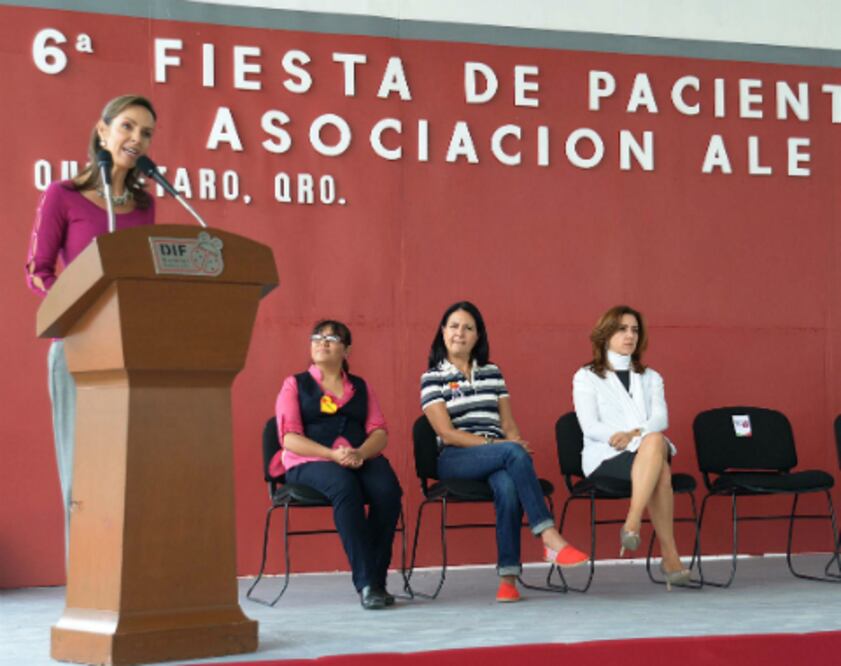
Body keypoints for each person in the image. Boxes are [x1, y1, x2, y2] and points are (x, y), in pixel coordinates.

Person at [25, 94, 157, 555]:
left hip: (130, 350)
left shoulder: (143, 205)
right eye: (127, 127)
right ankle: (85, 577)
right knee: (82, 476)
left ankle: (126, 576)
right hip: (78, 347)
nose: (136, 138)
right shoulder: (62, 195)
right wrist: (79, 310)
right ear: (103, 132)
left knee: (127, 472)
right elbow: (37, 271)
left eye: (146, 133)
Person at [420, 301, 588, 603]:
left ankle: (508, 580)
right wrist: (504, 448)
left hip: (497, 455)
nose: (460, 333)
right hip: (455, 458)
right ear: (443, 331)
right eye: (454, 326)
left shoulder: (492, 373)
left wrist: (515, 449)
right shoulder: (432, 377)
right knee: (511, 453)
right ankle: (549, 535)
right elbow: (446, 433)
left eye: (468, 328)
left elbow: (508, 424)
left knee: (508, 485)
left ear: (477, 336)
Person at [273, 320, 403, 610]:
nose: (323, 342)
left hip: (358, 456)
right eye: (317, 337)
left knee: (388, 490)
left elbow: (379, 432)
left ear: (347, 350)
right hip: (309, 460)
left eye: (332, 338)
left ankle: (377, 580)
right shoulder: (295, 384)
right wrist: (332, 455)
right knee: (344, 485)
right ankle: (367, 583)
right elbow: (289, 439)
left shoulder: (361, 387)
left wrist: (360, 453)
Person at [572, 305, 691, 589]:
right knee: (660, 468)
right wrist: (622, 437)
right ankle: (670, 557)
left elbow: (661, 418)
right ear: (605, 334)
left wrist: (632, 434)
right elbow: (590, 426)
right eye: (622, 329)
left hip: (644, 449)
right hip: (607, 457)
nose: (630, 336)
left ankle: (633, 521)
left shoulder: (651, 377)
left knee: (654, 440)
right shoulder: (586, 376)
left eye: (635, 330)